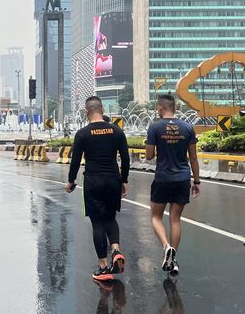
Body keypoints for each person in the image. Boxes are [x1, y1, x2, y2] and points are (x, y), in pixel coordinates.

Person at [66, 96, 130, 282]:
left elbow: (76, 161)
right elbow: (125, 159)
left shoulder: (83, 134)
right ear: (102, 110)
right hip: (113, 180)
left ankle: (103, 267)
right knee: (110, 218)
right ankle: (116, 250)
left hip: (93, 181)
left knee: (97, 223)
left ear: (87, 112)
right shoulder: (117, 131)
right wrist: (124, 180)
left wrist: (71, 182)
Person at [145, 94, 201, 277]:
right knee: (175, 219)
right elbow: (193, 157)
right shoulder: (187, 127)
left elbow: (149, 156)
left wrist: (151, 145)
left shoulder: (155, 127)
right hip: (183, 178)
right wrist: (197, 181)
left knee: (155, 216)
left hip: (163, 178)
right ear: (175, 107)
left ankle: (166, 246)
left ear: (160, 108)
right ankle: (173, 259)